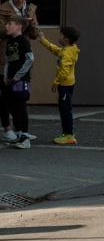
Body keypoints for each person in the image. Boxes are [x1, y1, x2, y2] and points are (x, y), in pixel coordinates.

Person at [38, 25, 80, 145]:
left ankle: (68, 135)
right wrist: (43, 41)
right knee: (65, 109)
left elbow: (64, 71)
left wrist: (56, 82)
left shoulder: (67, 53)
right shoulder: (69, 49)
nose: (59, 36)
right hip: (68, 84)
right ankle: (66, 133)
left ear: (66, 39)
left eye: (61, 35)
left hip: (65, 85)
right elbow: (56, 50)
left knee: (65, 110)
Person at [1, 17, 33, 148]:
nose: (6, 26)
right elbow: (8, 60)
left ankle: (25, 137)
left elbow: (30, 59)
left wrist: (18, 76)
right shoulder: (9, 42)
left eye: (10, 24)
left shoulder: (23, 41)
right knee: (12, 106)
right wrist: (6, 76)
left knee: (20, 106)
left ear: (19, 26)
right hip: (10, 80)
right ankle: (19, 133)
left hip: (21, 80)